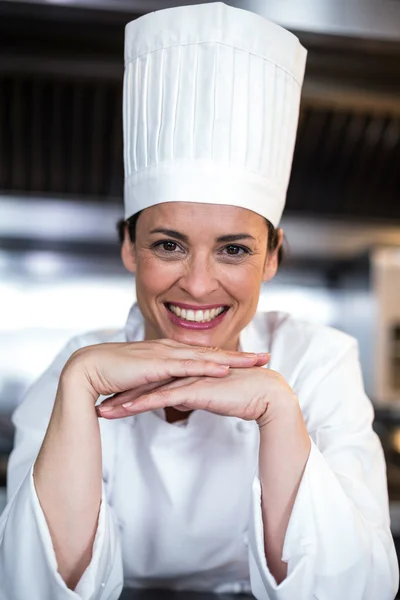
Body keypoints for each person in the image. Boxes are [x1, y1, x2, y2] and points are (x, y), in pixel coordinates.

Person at [0, 3, 398, 600]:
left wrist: (277, 411)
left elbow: (360, 589)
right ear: (129, 248)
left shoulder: (318, 360)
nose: (199, 284)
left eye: (234, 250)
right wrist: (82, 382)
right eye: (169, 244)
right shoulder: (78, 363)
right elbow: (29, 587)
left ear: (273, 256)